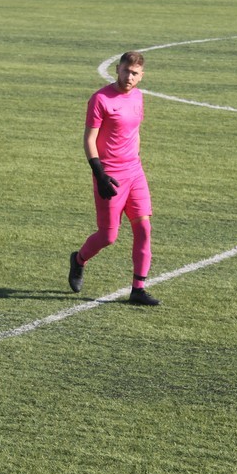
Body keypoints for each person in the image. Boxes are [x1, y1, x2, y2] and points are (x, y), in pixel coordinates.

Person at [68, 51, 160, 306]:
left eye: (134, 73)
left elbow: (135, 131)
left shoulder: (138, 97)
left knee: (143, 228)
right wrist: (100, 174)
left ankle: (138, 289)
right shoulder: (100, 99)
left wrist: (136, 160)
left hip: (135, 172)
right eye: (125, 70)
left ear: (141, 76)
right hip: (109, 174)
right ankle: (79, 260)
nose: (129, 76)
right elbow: (89, 139)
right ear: (117, 69)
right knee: (108, 236)